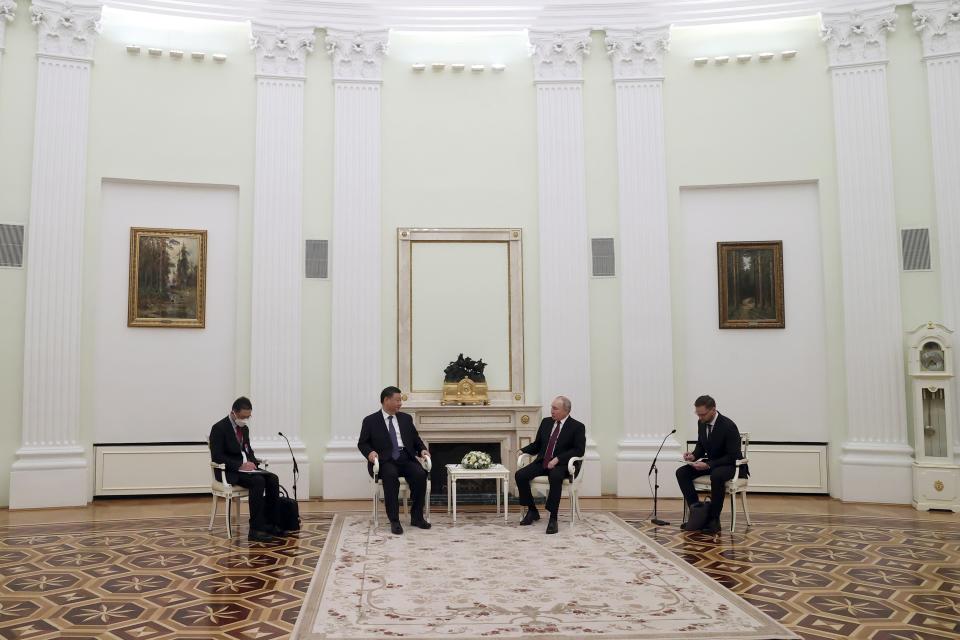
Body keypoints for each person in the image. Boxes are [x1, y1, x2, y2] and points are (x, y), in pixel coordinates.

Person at [209, 397, 286, 543]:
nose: (245, 419)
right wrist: (239, 465)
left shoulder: (244, 429)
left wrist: (252, 462)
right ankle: (255, 529)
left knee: (272, 478)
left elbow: (248, 450)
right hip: (229, 471)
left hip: (246, 470)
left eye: (248, 416)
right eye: (243, 416)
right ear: (234, 412)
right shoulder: (219, 428)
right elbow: (217, 456)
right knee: (258, 481)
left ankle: (270, 523)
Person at [358, 386, 432, 535]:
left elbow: (415, 439)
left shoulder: (405, 418)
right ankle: (394, 520)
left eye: (400, 401)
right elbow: (363, 443)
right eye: (397, 400)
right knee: (390, 477)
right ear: (386, 400)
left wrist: (422, 449)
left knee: (419, 474)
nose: (400, 404)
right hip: (385, 460)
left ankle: (417, 517)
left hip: (405, 457)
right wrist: (370, 453)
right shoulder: (370, 421)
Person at [676, 395, 748, 534]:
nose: (700, 418)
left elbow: (732, 456)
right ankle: (697, 513)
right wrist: (693, 456)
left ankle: (714, 519)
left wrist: (708, 465)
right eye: (698, 414)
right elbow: (701, 445)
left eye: (702, 414)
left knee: (716, 475)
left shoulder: (729, 426)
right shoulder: (701, 422)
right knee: (682, 472)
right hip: (713, 463)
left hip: (731, 465)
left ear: (713, 410)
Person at [515, 396, 586, 534]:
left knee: (555, 476)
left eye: (555, 408)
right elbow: (537, 445)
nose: (551, 411)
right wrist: (523, 450)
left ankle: (553, 518)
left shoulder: (577, 427)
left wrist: (558, 459)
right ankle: (532, 510)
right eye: (551, 407)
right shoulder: (546, 422)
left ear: (566, 410)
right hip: (543, 461)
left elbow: (579, 450)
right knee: (520, 475)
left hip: (563, 465)